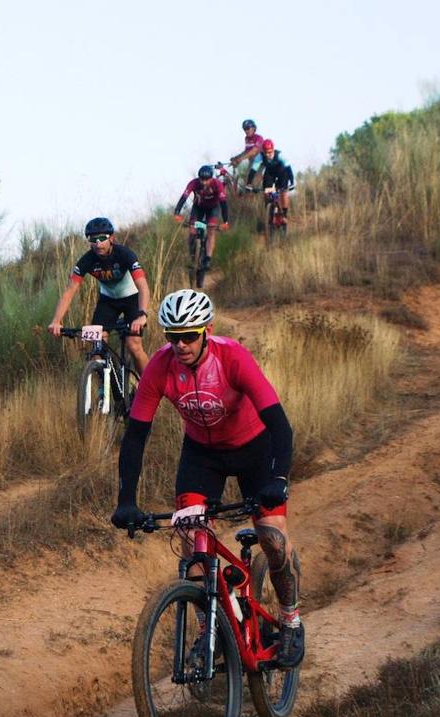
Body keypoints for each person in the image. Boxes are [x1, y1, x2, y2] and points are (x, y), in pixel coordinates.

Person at [109, 289, 304, 668]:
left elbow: (280, 425)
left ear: (207, 330)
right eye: (171, 336)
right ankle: (207, 632)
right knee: (192, 539)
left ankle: (291, 621)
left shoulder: (232, 357)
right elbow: (136, 436)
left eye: (189, 335)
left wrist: (278, 477)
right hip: (202, 455)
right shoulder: (161, 368)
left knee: (273, 538)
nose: (180, 345)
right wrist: (126, 500)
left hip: (255, 450)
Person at [47, 217, 151, 374]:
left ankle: (148, 387)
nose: (98, 243)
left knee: (133, 345)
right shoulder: (87, 260)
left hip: (132, 299)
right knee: (97, 348)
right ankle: (105, 389)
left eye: (102, 238)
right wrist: (56, 321)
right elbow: (69, 292)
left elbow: (143, 287)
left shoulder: (124, 254)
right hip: (108, 302)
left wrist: (142, 314)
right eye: (93, 239)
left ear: (111, 238)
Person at [173, 165, 230, 274]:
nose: (204, 182)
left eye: (207, 180)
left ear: (211, 178)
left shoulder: (217, 184)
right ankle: (192, 257)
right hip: (198, 207)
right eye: (202, 179)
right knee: (192, 230)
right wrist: (177, 213)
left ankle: (208, 258)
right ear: (198, 178)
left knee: (211, 231)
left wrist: (225, 221)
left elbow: (223, 203)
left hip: (213, 208)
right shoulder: (193, 183)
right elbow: (184, 197)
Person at [258, 138, 295, 224]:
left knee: (283, 191)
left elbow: (289, 169)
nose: (268, 154)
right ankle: (269, 211)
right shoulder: (260, 156)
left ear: (273, 150)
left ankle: (284, 215)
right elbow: (253, 169)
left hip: (282, 172)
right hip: (270, 174)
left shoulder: (280, 155)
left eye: (270, 152)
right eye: (266, 152)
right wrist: (249, 183)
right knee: (266, 191)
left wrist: (292, 182)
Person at [229, 119, 268, 190]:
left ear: (253, 128)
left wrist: (240, 159)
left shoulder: (259, 138)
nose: (246, 131)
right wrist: (236, 157)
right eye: (244, 129)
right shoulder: (247, 138)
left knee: (254, 183)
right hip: (252, 163)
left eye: (247, 128)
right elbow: (246, 151)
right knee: (246, 183)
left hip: (260, 164)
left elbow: (254, 151)